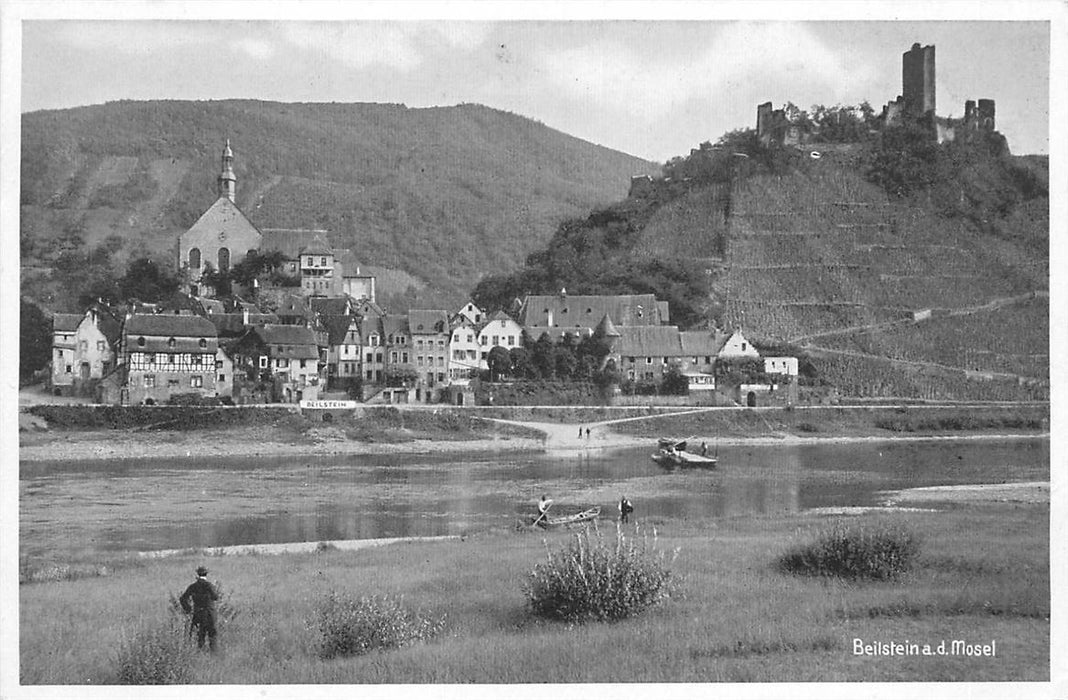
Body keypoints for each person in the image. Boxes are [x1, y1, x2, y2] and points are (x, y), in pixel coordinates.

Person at [179, 565, 220, 651]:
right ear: (206, 574)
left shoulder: (193, 586)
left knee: (200, 636)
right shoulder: (209, 585)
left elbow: (183, 598)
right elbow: (215, 597)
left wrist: (188, 609)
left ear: (197, 574)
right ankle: (214, 657)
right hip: (210, 614)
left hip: (198, 613)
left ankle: (200, 655)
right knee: (213, 636)